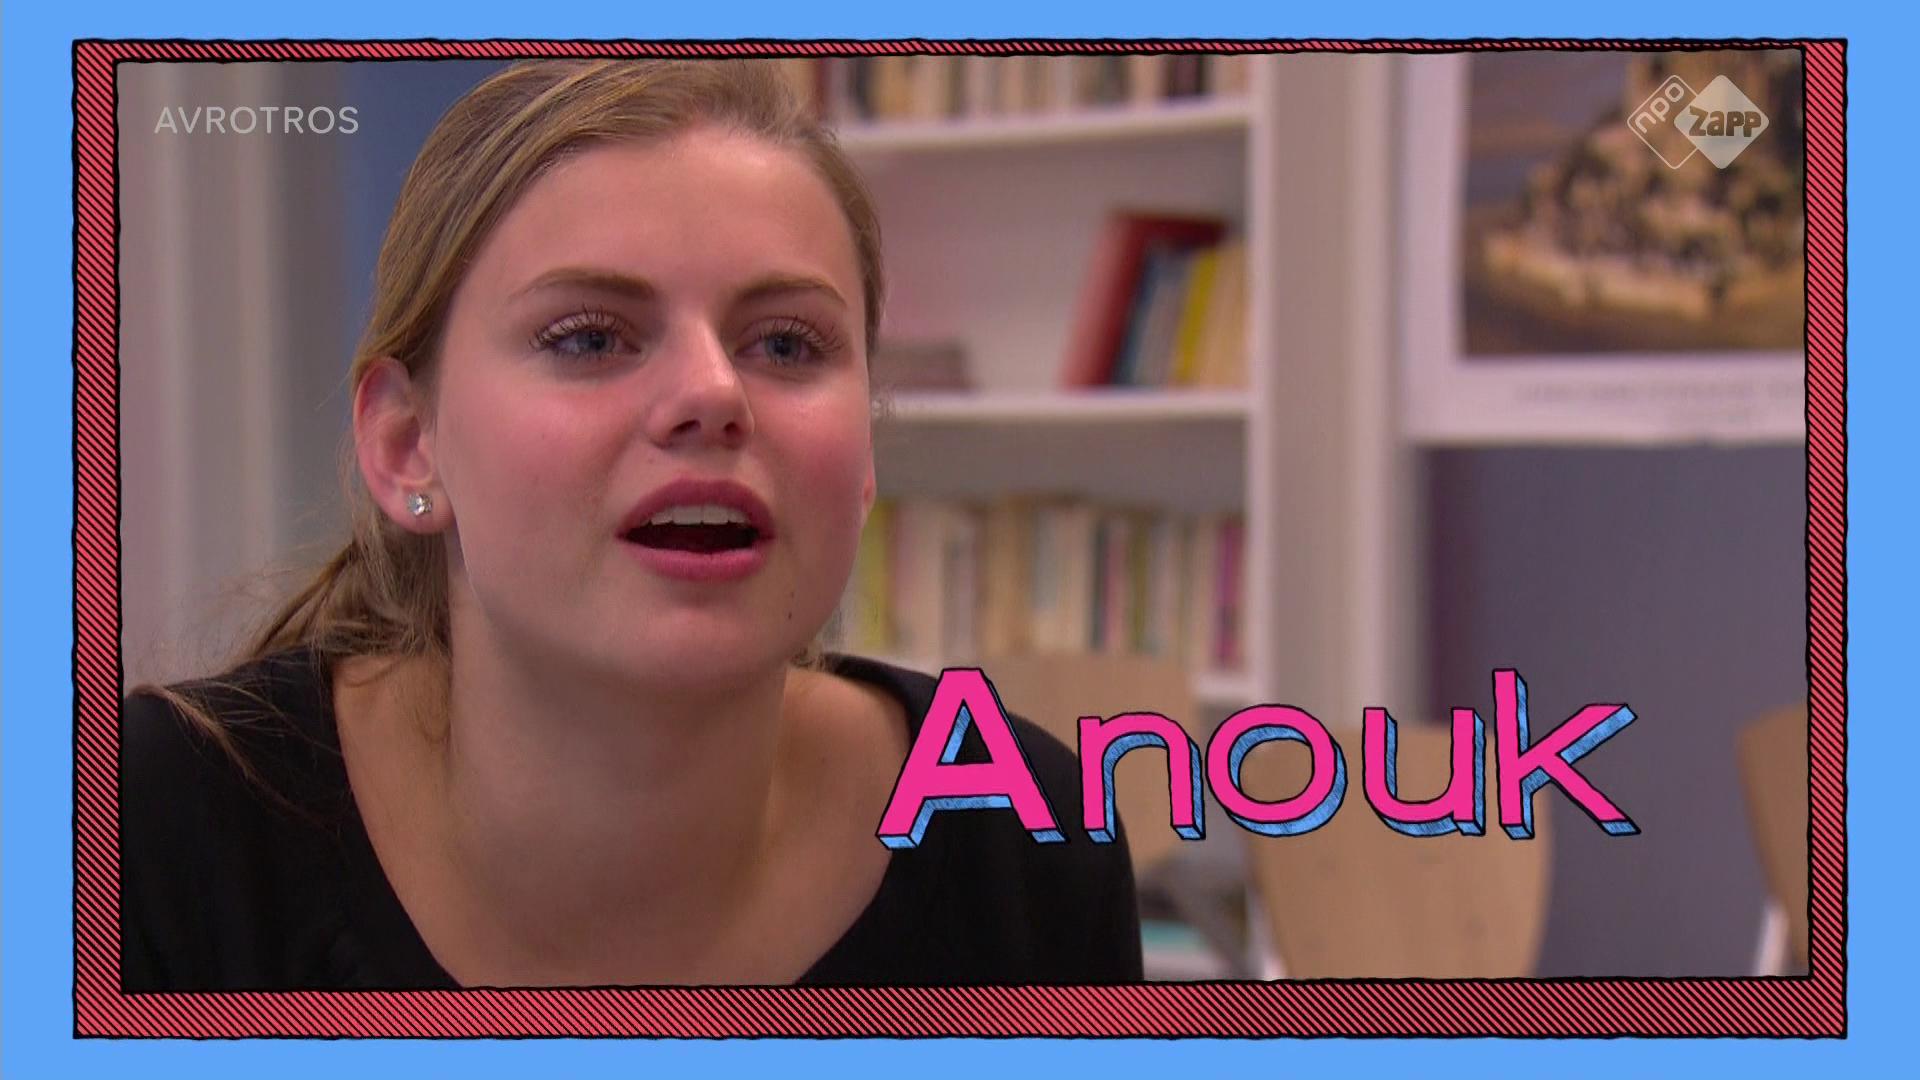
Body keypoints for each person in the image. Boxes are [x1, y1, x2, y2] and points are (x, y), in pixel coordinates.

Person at [118, 58, 1142, 991]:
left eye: (787, 344)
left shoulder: (1019, 834)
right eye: (589, 337)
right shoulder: (154, 826)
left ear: (865, 455)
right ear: (406, 445)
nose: (714, 393)